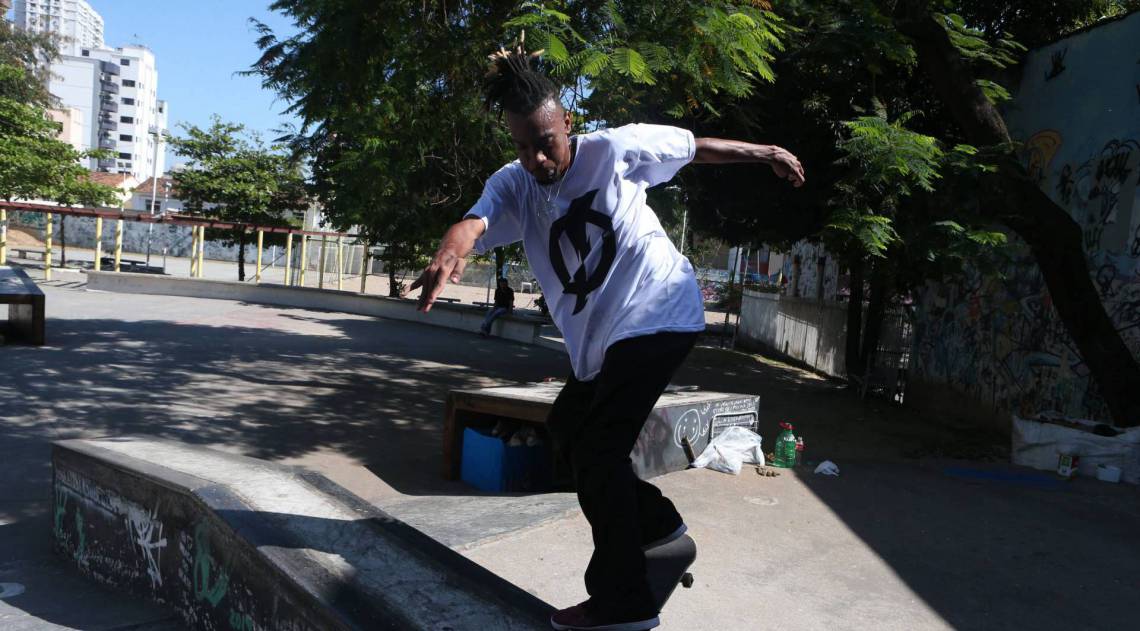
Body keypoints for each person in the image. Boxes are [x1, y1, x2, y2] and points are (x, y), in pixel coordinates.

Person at [409, 40, 804, 631]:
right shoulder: (514, 184)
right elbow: (473, 222)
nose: (538, 159)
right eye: (523, 147)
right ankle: (661, 530)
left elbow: (695, 148)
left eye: (546, 143)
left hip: (658, 308)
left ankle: (624, 601)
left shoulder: (613, 149)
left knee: (598, 449)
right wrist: (448, 252)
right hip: (601, 344)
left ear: (566, 123)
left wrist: (765, 150)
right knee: (569, 431)